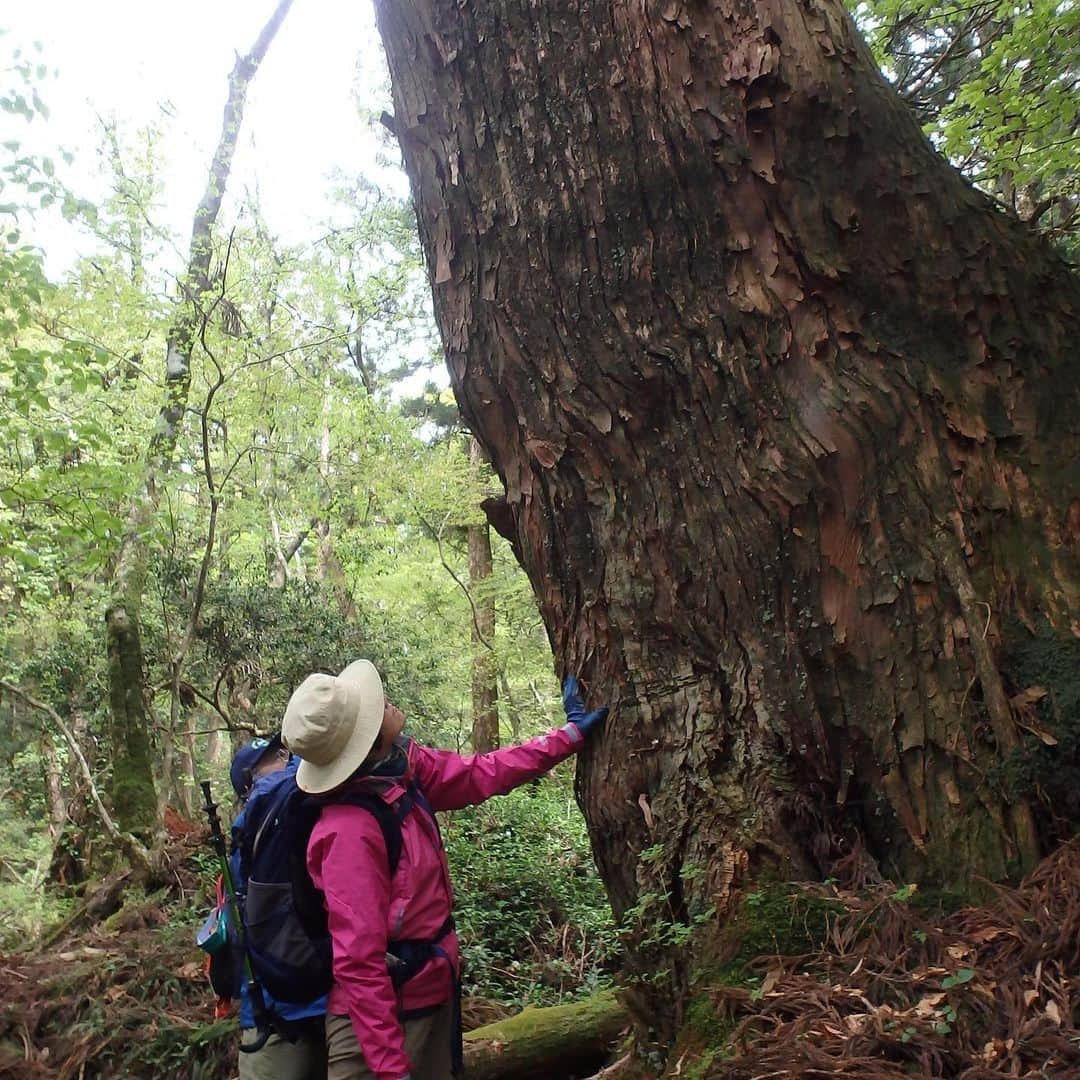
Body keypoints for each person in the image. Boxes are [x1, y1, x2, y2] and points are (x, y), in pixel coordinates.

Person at [281, 660, 608, 1080]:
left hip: (428, 996)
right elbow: (359, 963)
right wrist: (390, 1068)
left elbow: (482, 774)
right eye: (372, 706)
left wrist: (567, 737)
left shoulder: (402, 769)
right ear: (371, 739)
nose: (385, 701)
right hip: (384, 1023)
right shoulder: (349, 833)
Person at [229, 736, 329, 1080]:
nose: (283, 758)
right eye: (274, 757)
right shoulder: (318, 794)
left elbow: (239, 926)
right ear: (248, 782)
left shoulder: (244, 834)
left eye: (280, 751)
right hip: (336, 996)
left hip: (272, 1006)